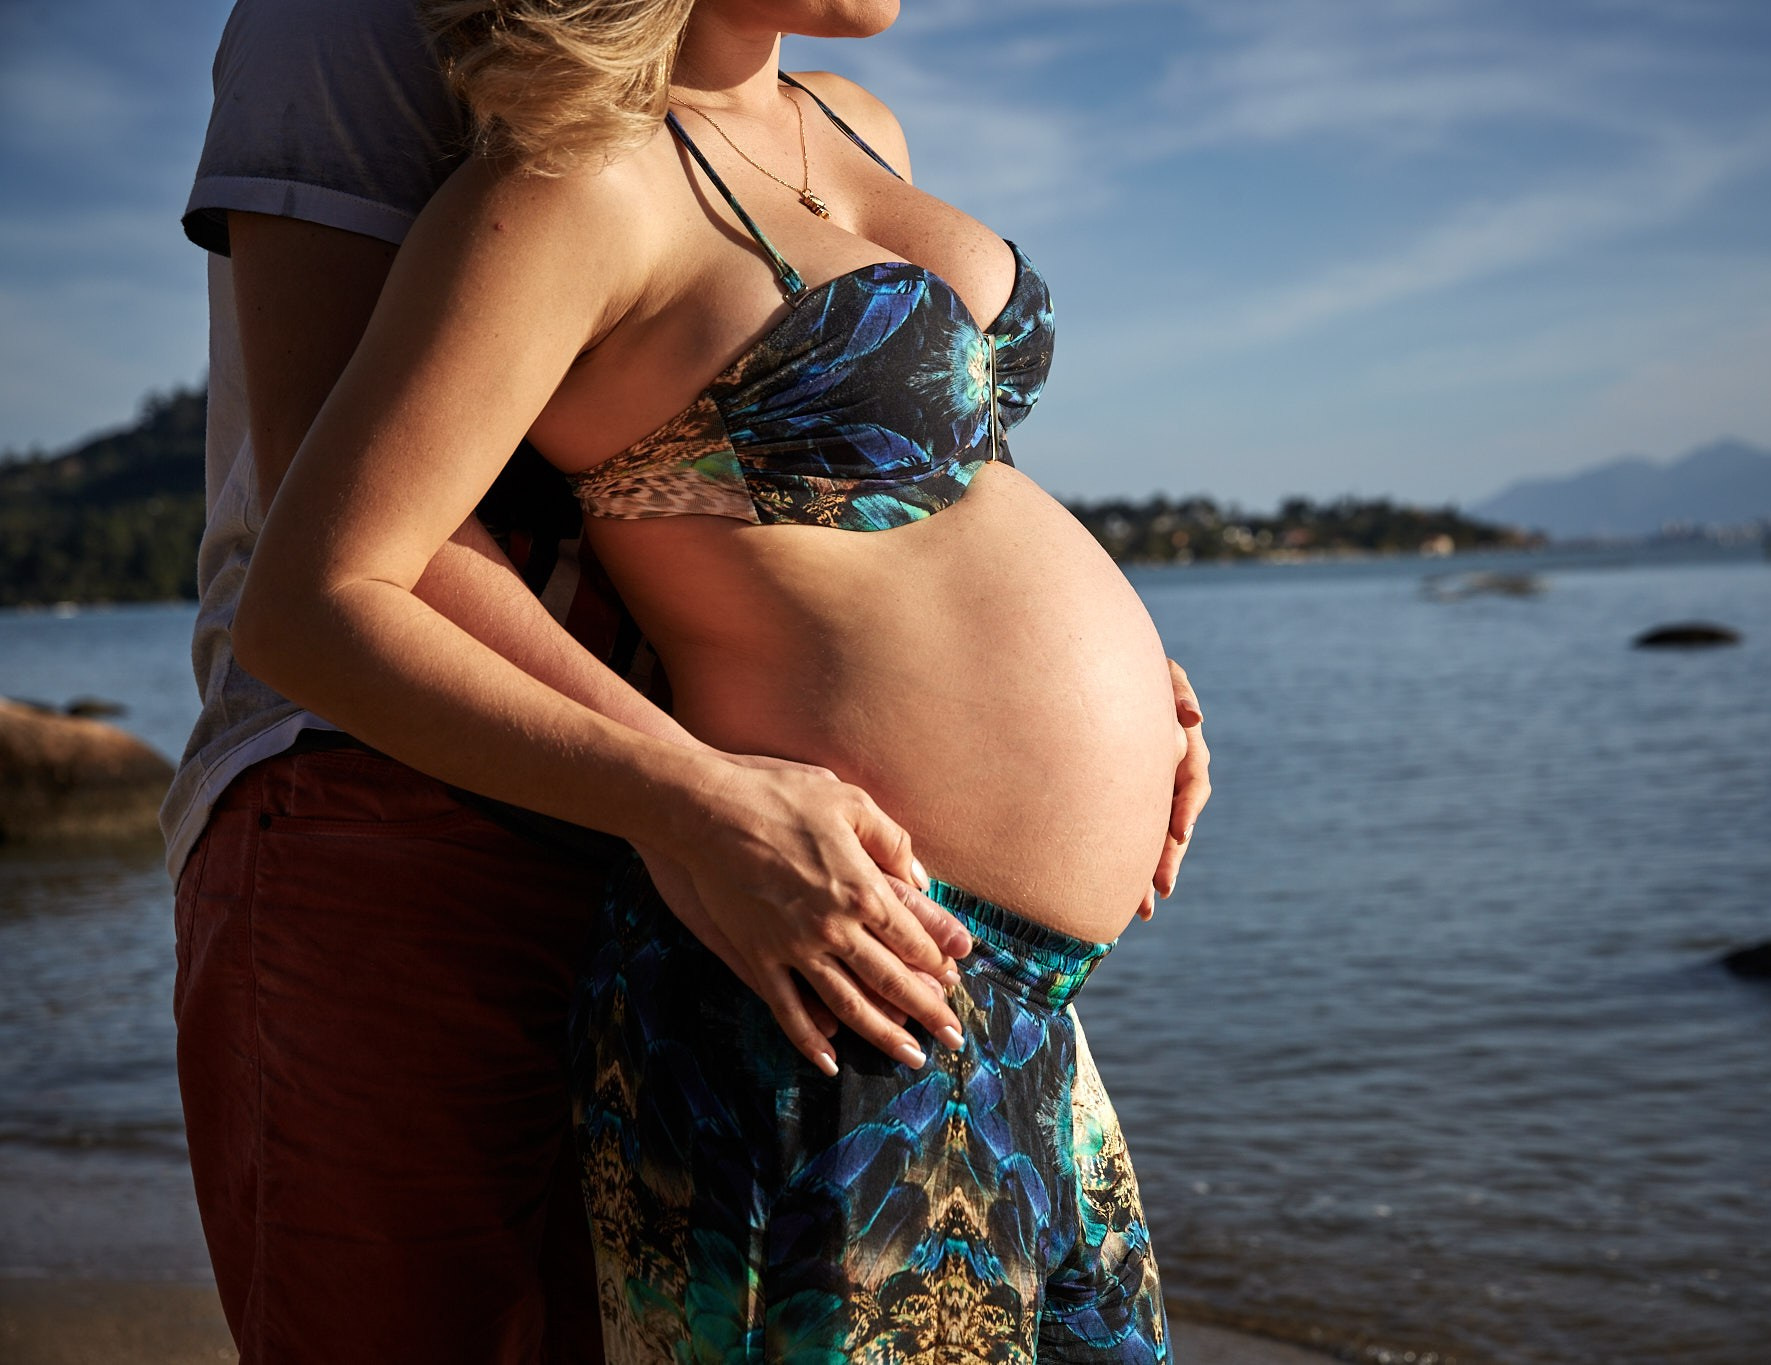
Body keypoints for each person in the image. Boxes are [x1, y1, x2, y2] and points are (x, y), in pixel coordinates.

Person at [172, 0, 1209, 1360]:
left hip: (1015, 1011)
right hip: (829, 968)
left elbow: (915, 501)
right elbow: (321, 584)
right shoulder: (573, 182)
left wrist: (1126, 680)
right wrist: (692, 800)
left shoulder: (854, 123)